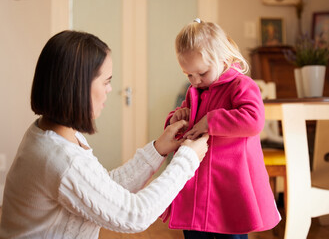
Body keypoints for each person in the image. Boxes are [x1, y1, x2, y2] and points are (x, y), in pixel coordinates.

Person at [0, 30, 209, 238]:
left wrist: (157, 150)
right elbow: (135, 215)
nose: (110, 89)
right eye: (106, 81)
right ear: (78, 86)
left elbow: (103, 190)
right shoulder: (61, 159)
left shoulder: (51, 133)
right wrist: (186, 160)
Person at [160, 19, 281, 239]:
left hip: (229, 185)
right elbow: (182, 127)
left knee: (231, 233)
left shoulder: (241, 85)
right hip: (196, 186)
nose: (195, 81)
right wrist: (176, 118)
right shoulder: (194, 92)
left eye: (202, 73)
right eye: (188, 75)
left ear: (223, 59)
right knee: (194, 231)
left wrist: (210, 121)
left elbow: (254, 120)